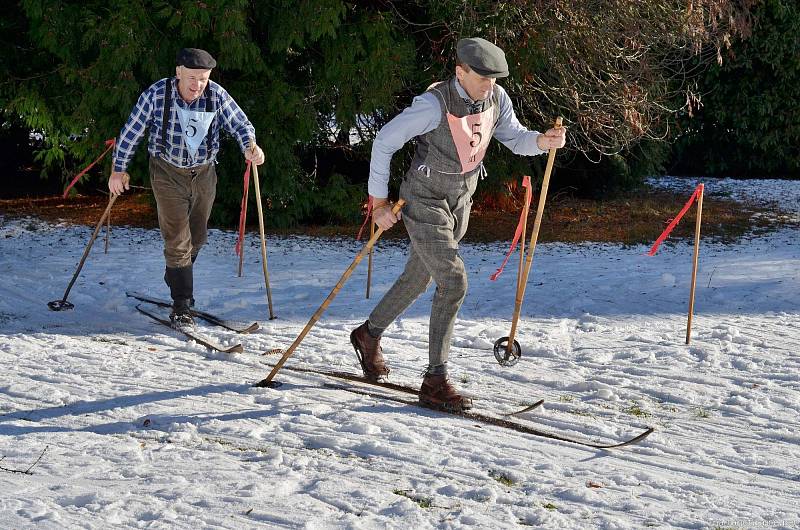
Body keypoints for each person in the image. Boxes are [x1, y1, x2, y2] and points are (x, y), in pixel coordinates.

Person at [350, 37, 567, 412]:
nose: (490, 85)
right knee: (453, 282)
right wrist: (379, 203)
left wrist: (542, 141)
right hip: (424, 200)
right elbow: (384, 140)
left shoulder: (496, 99)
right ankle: (435, 380)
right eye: (482, 77)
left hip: (459, 202)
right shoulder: (432, 106)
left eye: (495, 79)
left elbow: (515, 137)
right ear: (459, 72)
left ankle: (368, 335)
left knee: (418, 278)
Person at [108, 48, 264, 325]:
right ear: (178, 72)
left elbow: (240, 124)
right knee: (177, 238)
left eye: (203, 78)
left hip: (204, 172)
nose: (197, 85)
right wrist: (119, 170)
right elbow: (131, 132)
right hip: (167, 172)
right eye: (192, 77)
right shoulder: (157, 94)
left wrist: (250, 147)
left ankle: (175, 272)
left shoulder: (216, 94)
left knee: (198, 236)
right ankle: (182, 304)